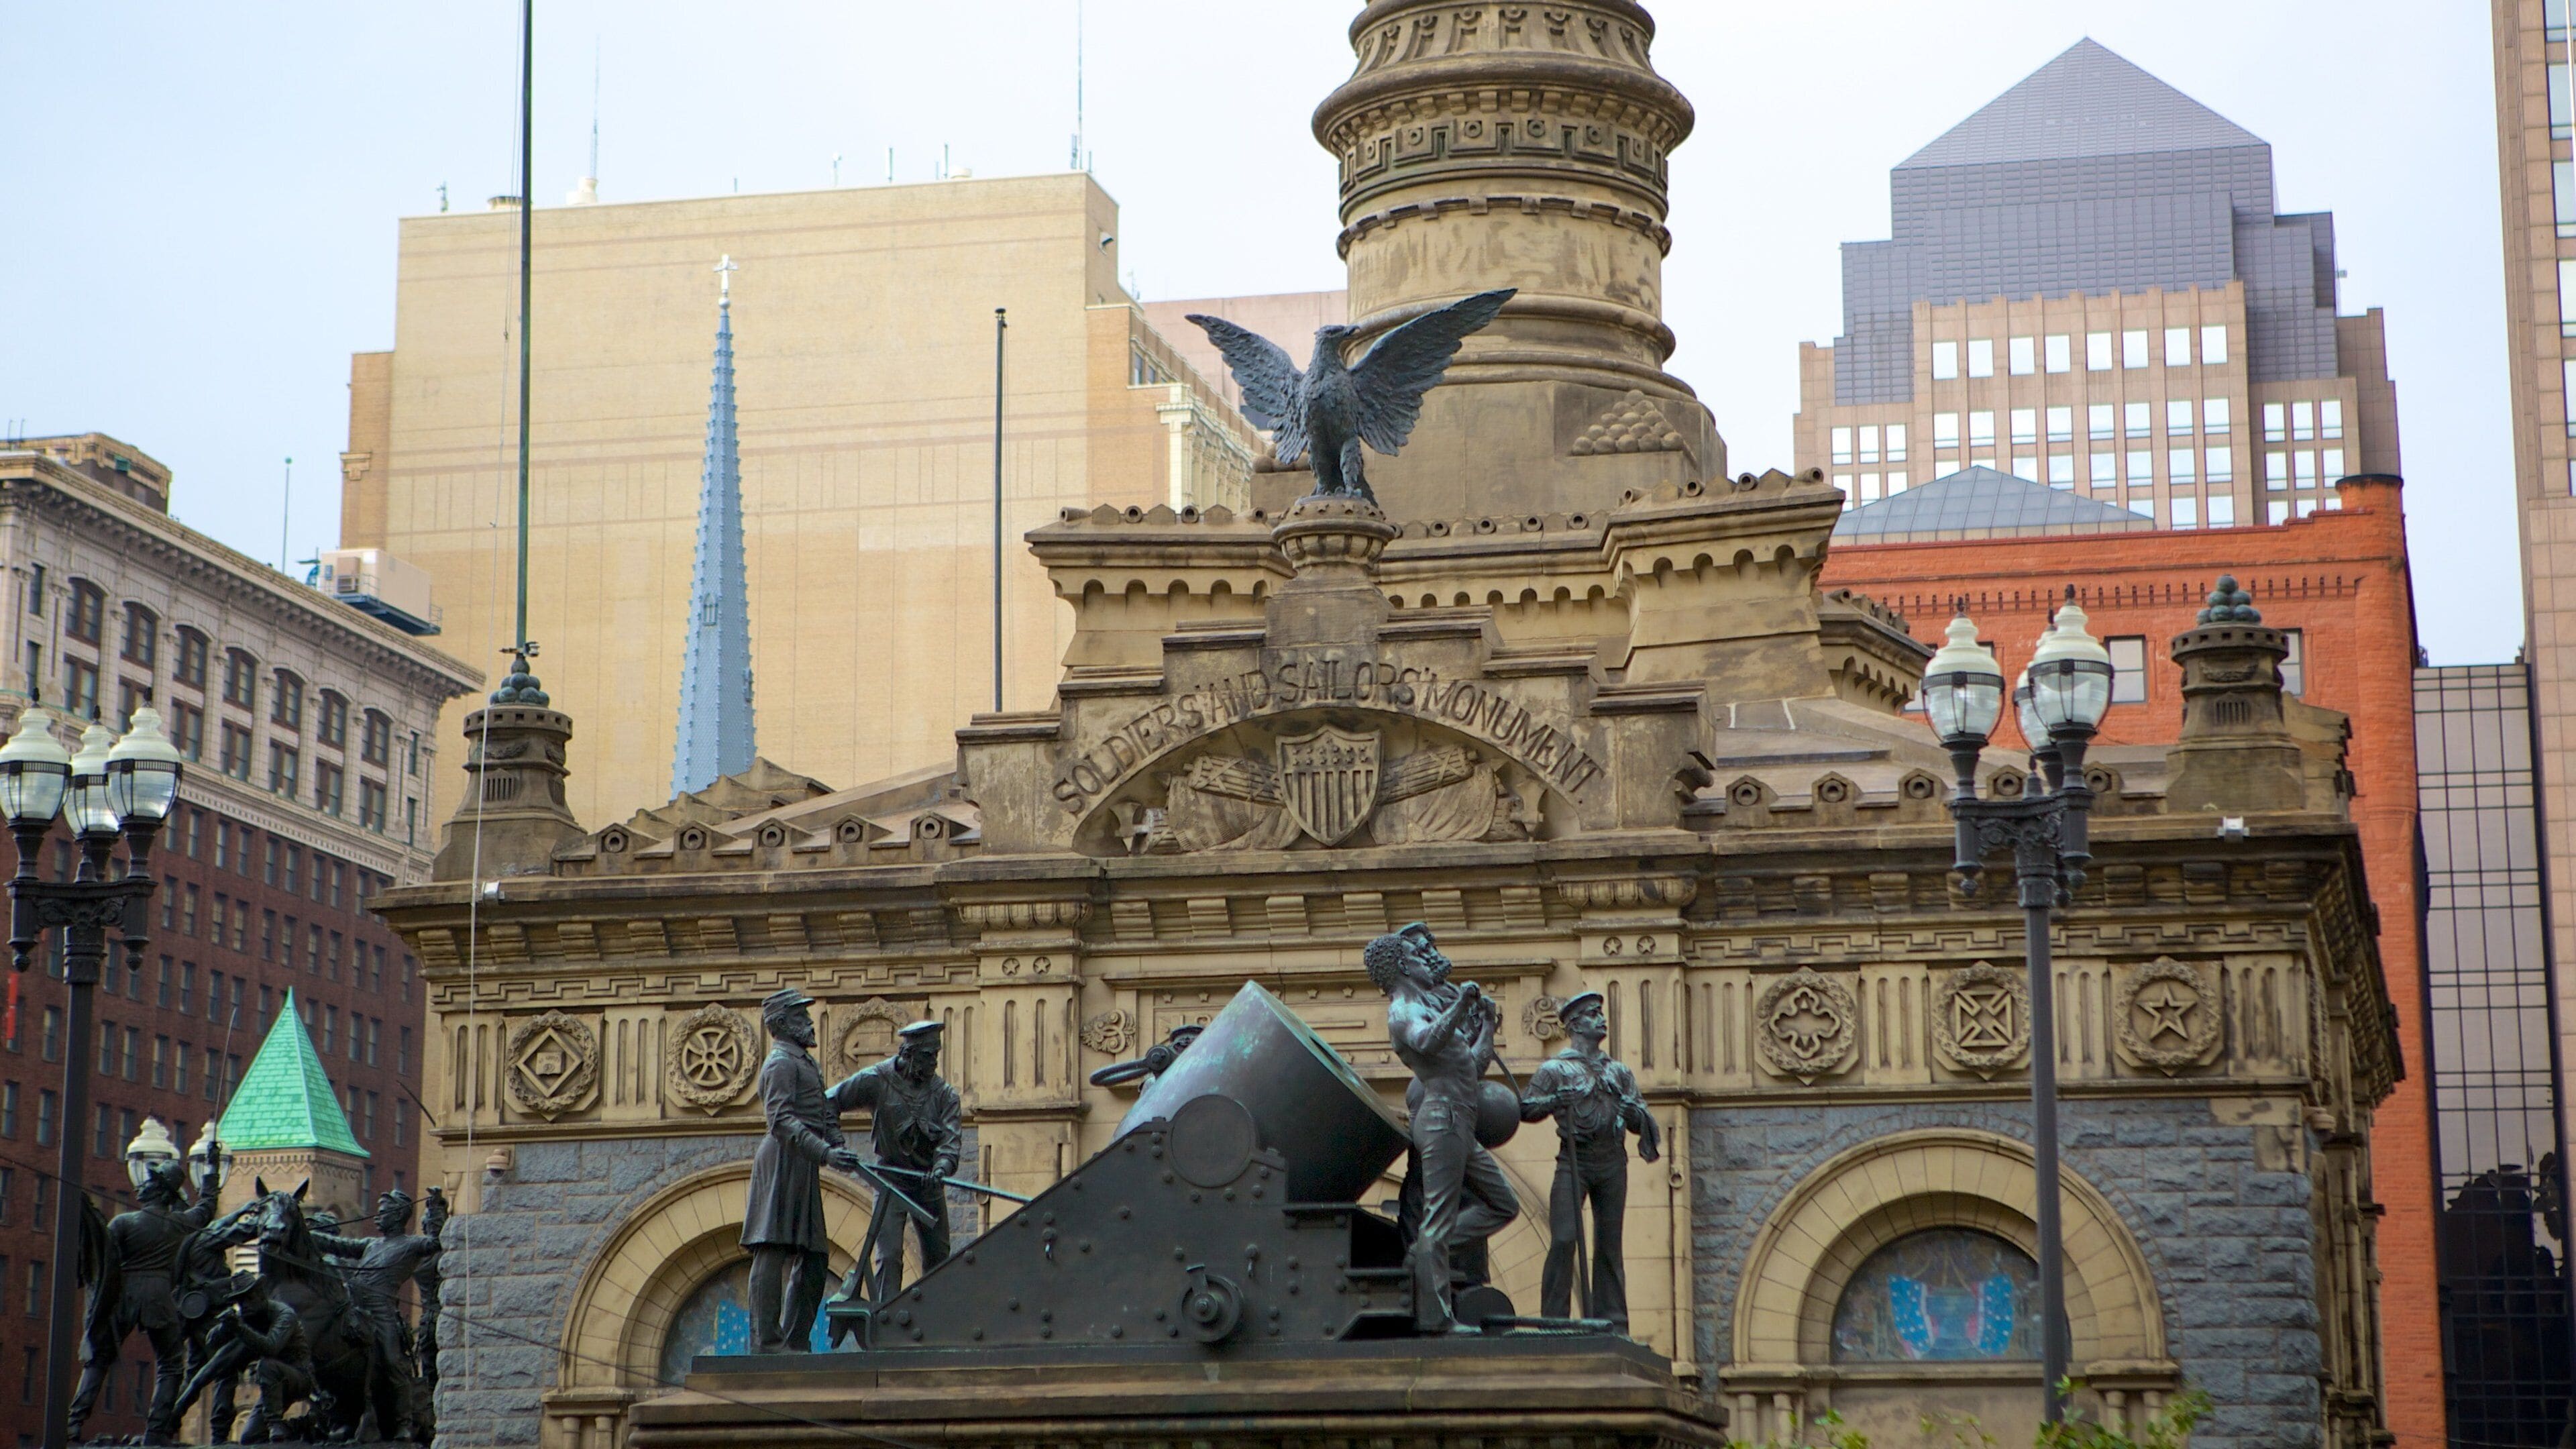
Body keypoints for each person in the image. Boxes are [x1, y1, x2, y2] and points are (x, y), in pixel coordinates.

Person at [1368, 922, 1517, 1332]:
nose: (1424, 961)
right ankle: (1437, 1320)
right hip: (1441, 1118)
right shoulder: (1403, 1011)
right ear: (1402, 965)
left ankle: (1425, 1251)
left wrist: (1486, 1023)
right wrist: (1461, 1005)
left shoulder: (1429, 1004)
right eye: (1416, 956)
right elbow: (1429, 1041)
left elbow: (1472, 1064)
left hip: (1460, 1121)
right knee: (1437, 1217)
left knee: (1504, 1205)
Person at [1519, 990, 1660, 1330]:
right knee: (1565, 1238)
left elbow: (1642, 1120)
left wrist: (1634, 1115)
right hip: (1573, 1162)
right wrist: (1555, 1100)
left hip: (1613, 1163)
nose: (1602, 1019)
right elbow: (1525, 1109)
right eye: (1594, 1014)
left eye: (1600, 1013)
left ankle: (1613, 1322)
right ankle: (1555, 1321)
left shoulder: (1620, 1072)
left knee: (1610, 1246)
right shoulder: (1555, 1069)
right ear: (1575, 1024)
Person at [743, 988, 866, 1352]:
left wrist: (837, 1143)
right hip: (782, 1159)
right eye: (800, 1017)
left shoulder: (805, 1062)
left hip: (804, 1162)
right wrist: (826, 1153)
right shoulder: (780, 1063)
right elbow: (781, 1120)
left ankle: (795, 1341)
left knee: (815, 1258)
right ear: (781, 1024)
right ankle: (766, 1344)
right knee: (772, 1247)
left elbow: (825, 1111)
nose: (809, 1023)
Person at [68, 1160, 214, 1442]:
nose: (143, 1185)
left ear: (161, 1192)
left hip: (124, 1296)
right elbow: (207, 1209)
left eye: (150, 1182)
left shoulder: (124, 1222)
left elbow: (105, 1259)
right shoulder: (180, 1223)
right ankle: (157, 1430)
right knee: (171, 1363)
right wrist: (212, 1171)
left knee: (98, 1360)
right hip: (159, 1297)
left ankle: (73, 1423)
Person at [833, 1018, 963, 1300]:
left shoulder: (945, 1095)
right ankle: (884, 1319)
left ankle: (934, 1320)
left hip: (928, 1184)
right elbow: (830, 1102)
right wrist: (836, 1144)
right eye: (928, 1056)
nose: (934, 1064)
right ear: (909, 1053)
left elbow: (950, 1144)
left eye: (937, 1055)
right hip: (889, 1182)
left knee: (939, 1258)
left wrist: (941, 1168)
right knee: (889, 1256)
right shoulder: (876, 1080)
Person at [312, 1188, 441, 1440]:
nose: (376, 1218)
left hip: (381, 1310)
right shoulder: (371, 1244)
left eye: (382, 1214)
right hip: (354, 1306)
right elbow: (337, 1244)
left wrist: (435, 1209)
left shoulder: (411, 1244)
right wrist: (302, 1231)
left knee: (392, 1363)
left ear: (397, 1216)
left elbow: (435, 1242)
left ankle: (404, 1422)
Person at [172, 1274, 316, 1444]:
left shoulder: (284, 1315)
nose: (245, 1306)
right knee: (250, 1438)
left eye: (249, 1298)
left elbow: (271, 1347)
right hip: (274, 1387)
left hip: (299, 1378)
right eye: (240, 1302)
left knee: (267, 1366)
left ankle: (277, 1424)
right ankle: (301, 1426)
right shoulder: (249, 1321)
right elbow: (214, 1358)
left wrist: (239, 1329)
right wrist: (179, 1408)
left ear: (261, 1295)